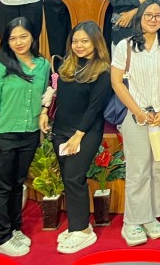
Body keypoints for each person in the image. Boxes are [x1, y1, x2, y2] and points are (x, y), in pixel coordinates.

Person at [111, 0, 160, 247]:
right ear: (139, 18)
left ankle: (151, 217)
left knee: (159, 167)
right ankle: (132, 221)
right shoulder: (125, 46)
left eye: (158, 16)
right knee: (138, 169)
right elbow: (117, 82)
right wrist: (137, 111)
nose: (153, 19)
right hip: (137, 117)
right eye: (148, 15)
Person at [0, 17, 51, 256]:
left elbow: (47, 94)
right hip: (3, 135)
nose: (18, 42)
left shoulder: (43, 64)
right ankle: (1, 238)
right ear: (6, 41)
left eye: (23, 36)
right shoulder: (0, 67)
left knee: (17, 183)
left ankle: (14, 229)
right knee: (0, 187)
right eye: (12, 38)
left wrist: (43, 112)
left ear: (33, 36)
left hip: (30, 134)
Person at [46, 21, 112, 255]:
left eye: (84, 41)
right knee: (69, 178)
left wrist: (78, 136)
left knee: (74, 176)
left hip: (85, 133)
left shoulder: (103, 70)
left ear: (95, 42)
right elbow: (59, 99)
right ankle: (77, 223)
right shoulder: (67, 66)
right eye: (75, 41)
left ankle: (82, 230)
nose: (79, 45)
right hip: (61, 132)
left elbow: (95, 108)